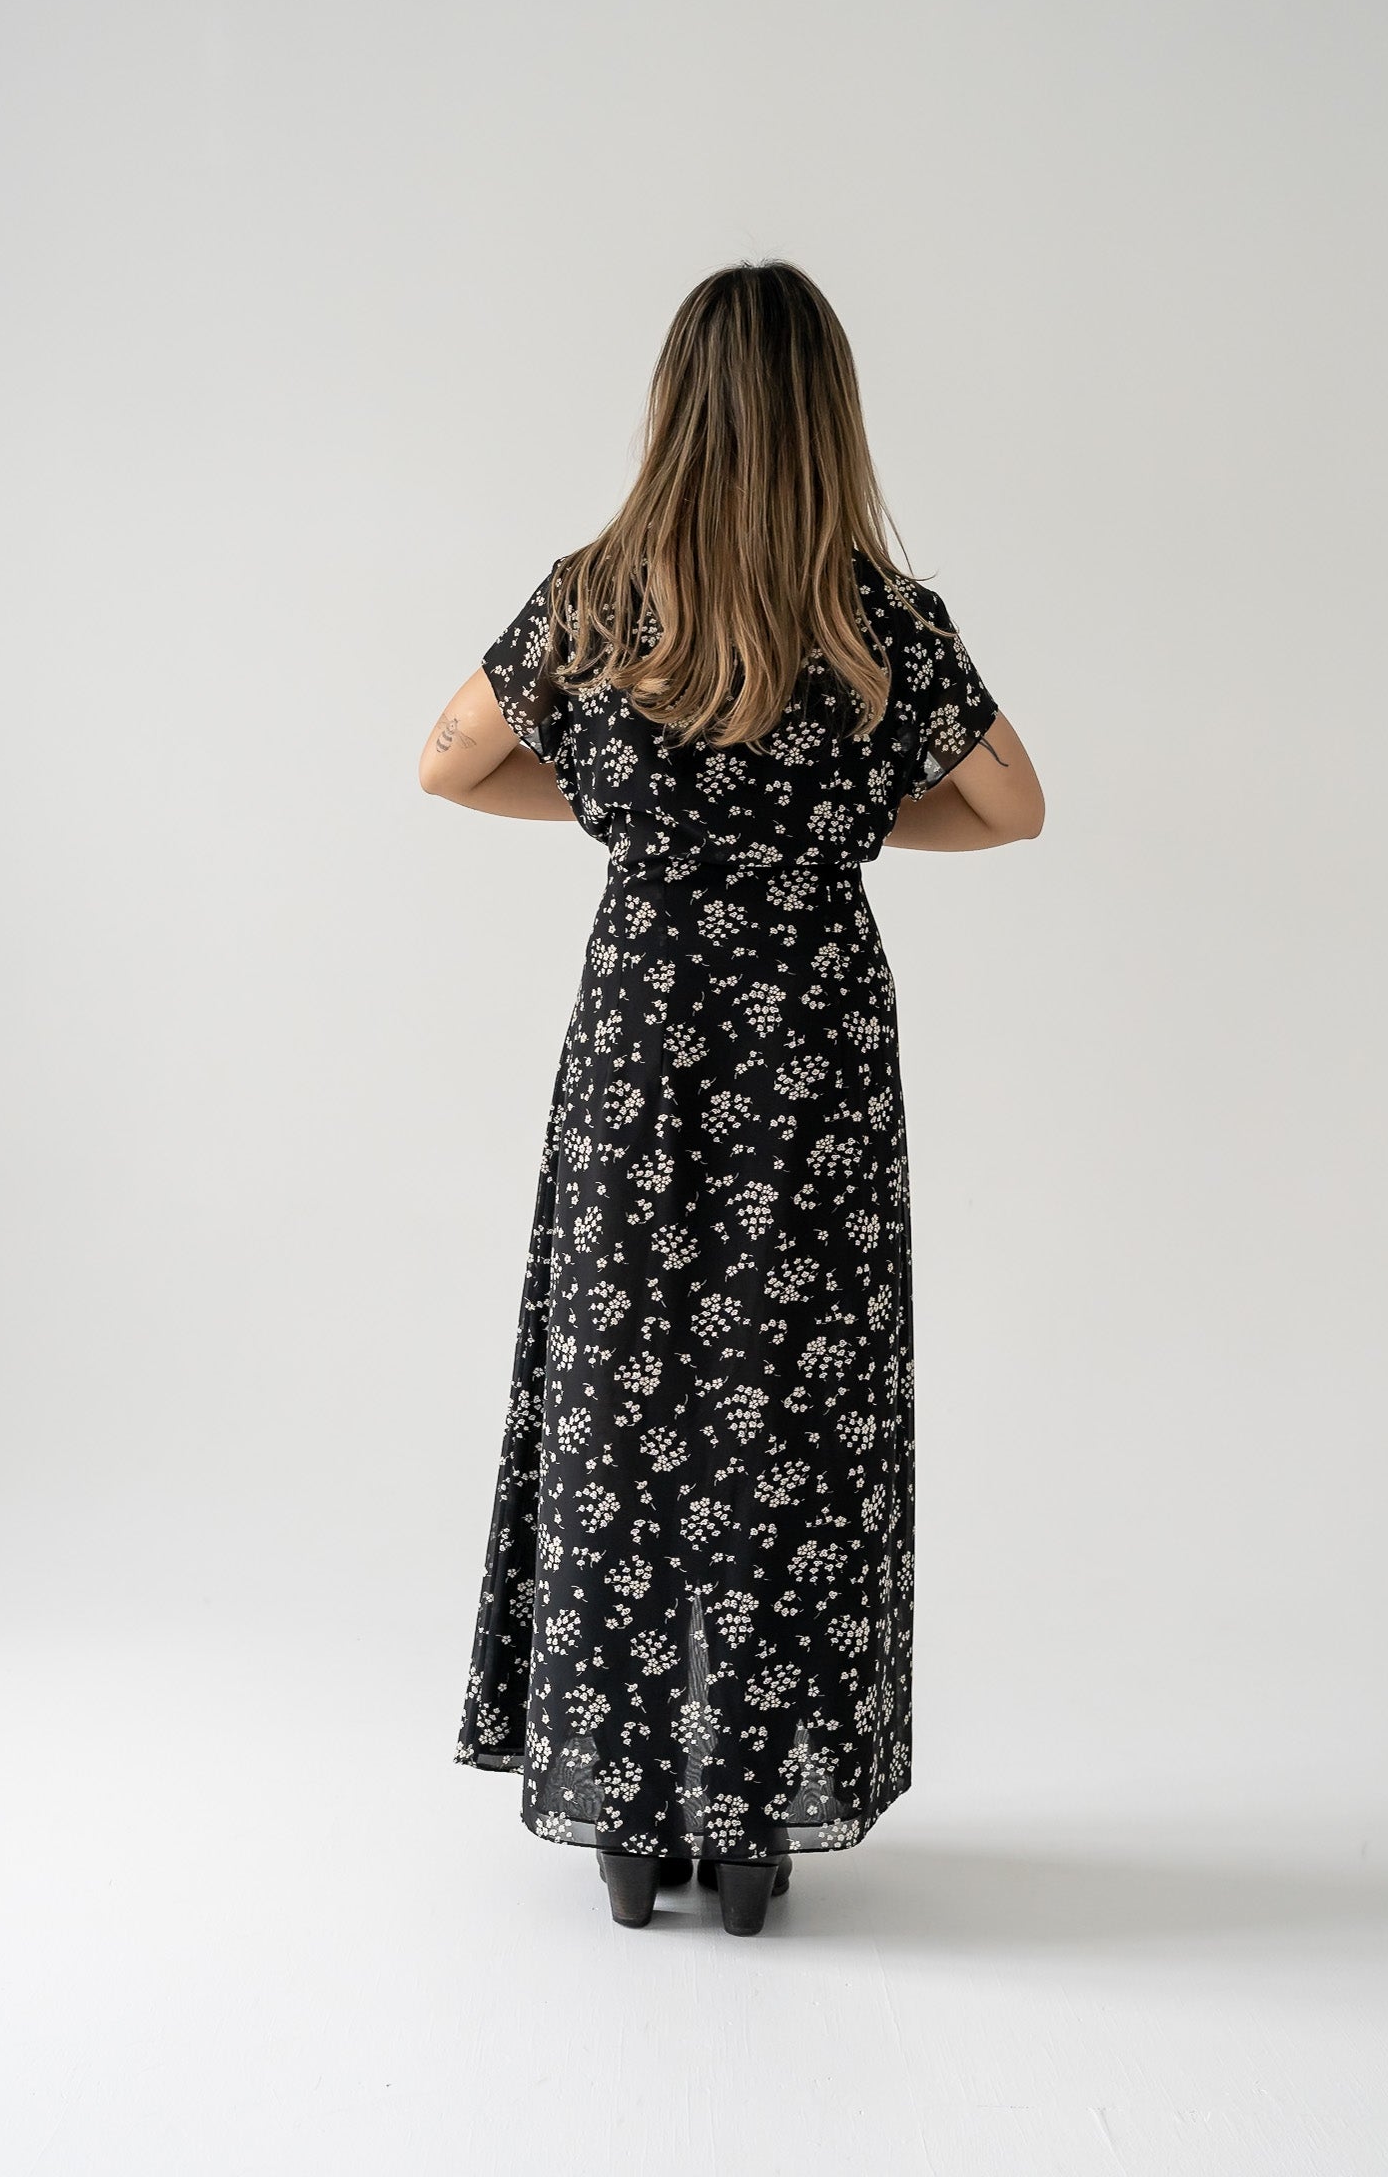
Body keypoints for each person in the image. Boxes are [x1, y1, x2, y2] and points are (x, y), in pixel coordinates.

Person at [418, 259, 1045, 1937]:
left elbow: (447, 759)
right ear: (832, 415)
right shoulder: (882, 621)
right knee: (791, 1416)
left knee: (625, 1405)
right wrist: (818, 833)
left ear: (672, 407)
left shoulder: (597, 598)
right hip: (815, 1053)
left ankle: (627, 1827)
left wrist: (647, 827)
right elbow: (1015, 808)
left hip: (643, 1038)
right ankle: (762, 1823)